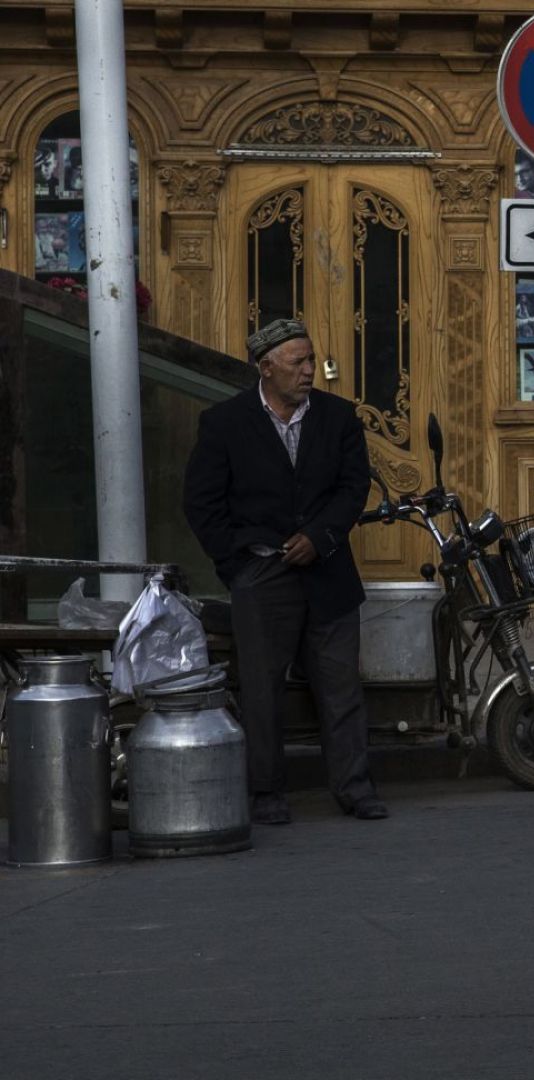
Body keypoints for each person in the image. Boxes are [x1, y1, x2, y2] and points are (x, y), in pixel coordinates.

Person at [183, 318, 387, 825]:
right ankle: (266, 793)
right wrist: (238, 568)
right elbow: (202, 503)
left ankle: (355, 789)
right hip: (261, 575)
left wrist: (320, 538)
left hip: (330, 574)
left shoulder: (338, 418)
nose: (308, 371)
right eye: (297, 362)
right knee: (261, 689)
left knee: (340, 688)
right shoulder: (225, 423)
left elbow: (352, 487)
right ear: (266, 367)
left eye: (311, 360)